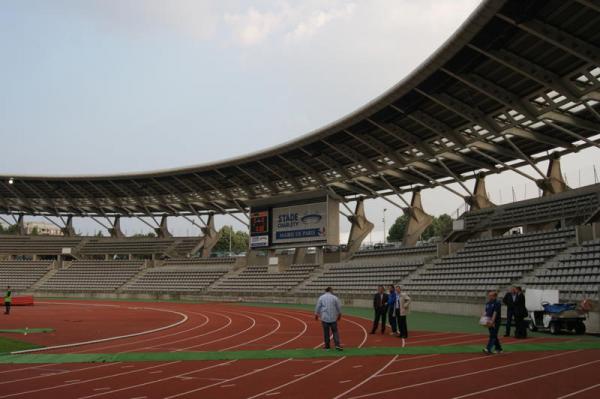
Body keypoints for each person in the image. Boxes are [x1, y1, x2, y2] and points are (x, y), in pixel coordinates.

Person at [314, 287, 343, 351]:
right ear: (330, 290)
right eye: (332, 290)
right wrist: (339, 314)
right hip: (333, 317)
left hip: (324, 317)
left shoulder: (321, 297)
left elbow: (318, 306)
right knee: (335, 331)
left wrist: (316, 314)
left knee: (326, 333)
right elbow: (338, 306)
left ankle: (327, 346)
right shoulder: (334, 297)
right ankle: (337, 345)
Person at [483, 290, 503, 354]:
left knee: (492, 335)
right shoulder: (488, 303)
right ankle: (499, 348)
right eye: (489, 295)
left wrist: (492, 321)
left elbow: (495, 313)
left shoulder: (497, 303)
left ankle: (488, 348)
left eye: (490, 295)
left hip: (495, 321)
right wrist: (483, 319)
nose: (489, 296)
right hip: (489, 320)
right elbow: (486, 312)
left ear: (494, 296)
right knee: (494, 335)